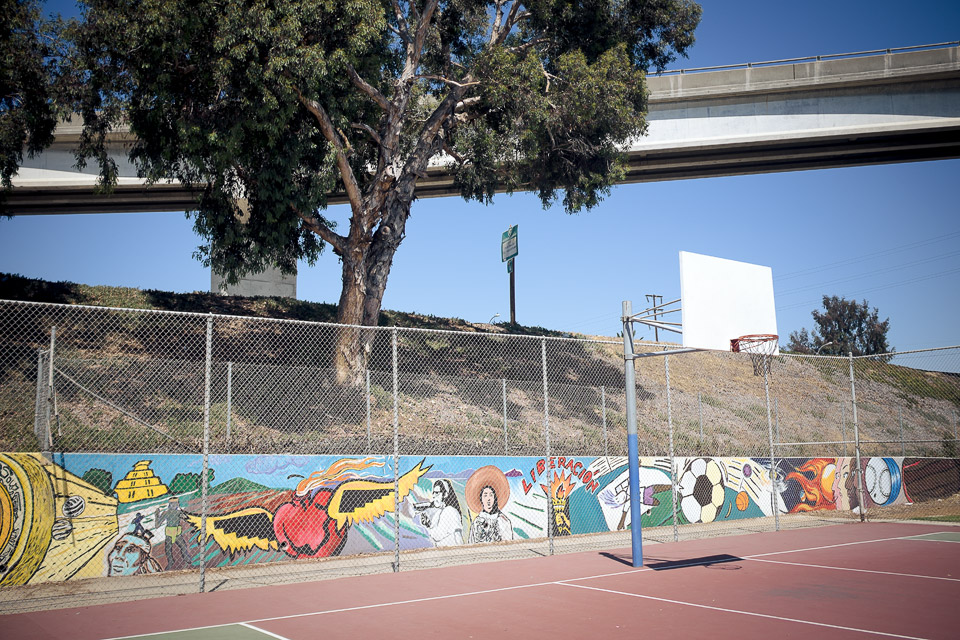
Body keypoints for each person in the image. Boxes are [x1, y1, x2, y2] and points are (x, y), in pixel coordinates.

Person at [465, 466, 513, 544]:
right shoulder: (477, 522)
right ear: (481, 499)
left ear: (495, 498)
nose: (488, 499)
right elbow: (471, 542)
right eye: (485, 495)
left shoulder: (503, 520)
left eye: (491, 495)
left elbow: (508, 542)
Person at [419, 479, 463, 546]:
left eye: (437, 493)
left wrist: (428, 525)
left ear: (445, 494)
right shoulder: (438, 513)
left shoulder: (450, 511)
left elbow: (438, 536)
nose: (433, 496)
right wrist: (428, 525)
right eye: (433, 493)